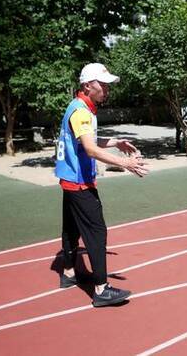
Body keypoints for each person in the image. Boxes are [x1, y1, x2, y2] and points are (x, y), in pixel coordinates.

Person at [55, 63, 148, 307]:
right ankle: (101, 289)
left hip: (70, 180)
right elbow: (89, 148)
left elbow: (89, 141)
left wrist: (116, 142)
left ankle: (68, 273)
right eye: (103, 84)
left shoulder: (80, 107)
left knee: (72, 228)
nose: (106, 89)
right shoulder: (82, 112)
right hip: (80, 182)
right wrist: (124, 163)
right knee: (97, 232)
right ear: (88, 85)